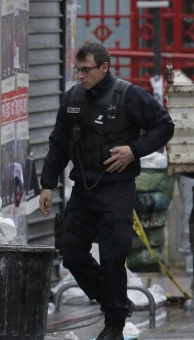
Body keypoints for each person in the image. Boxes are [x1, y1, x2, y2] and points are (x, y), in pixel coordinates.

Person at [39, 42, 174, 340]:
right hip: (84, 190)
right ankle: (115, 302)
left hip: (117, 190)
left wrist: (134, 150)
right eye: (78, 69)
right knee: (71, 252)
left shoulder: (129, 95)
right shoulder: (72, 98)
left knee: (114, 255)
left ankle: (113, 324)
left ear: (104, 68)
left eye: (87, 70)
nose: (81, 75)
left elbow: (164, 126)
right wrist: (47, 184)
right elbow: (58, 144)